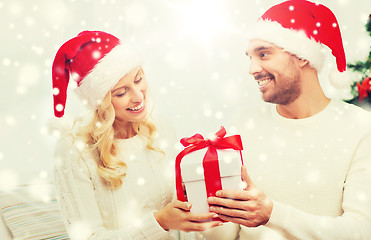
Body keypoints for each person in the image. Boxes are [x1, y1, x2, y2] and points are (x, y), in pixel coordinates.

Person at [201, 0, 371, 239]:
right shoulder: (242, 127)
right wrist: (204, 204)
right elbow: (226, 234)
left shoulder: (360, 129)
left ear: (302, 56)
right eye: (250, 57)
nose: (252, 68)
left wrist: (272, 214)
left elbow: (360, 232)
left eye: (263, 54)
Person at [51, 31, 221, 240]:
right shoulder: (74, 153)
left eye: (139, 79)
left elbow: (177, 213)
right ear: (99, 102)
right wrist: (159, 223)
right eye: (121, 93)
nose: (138, 96)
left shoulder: (161, 130)